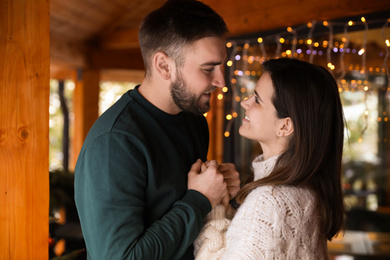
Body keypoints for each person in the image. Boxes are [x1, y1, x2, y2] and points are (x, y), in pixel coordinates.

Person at [74, 0, 240, 259]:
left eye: (221, 66)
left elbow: (188, 226)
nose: (221, 81)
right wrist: (200, 198)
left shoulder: (194, 120)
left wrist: (221, 193)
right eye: (208, 68)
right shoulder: (115, 143)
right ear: (164, 65)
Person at [194, 58, 345, 259]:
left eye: (257, 99)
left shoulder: (268, 202)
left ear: (285, 126)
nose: (245, 102)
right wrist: (227, 209)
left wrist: (212, 209)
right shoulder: (306, 192)